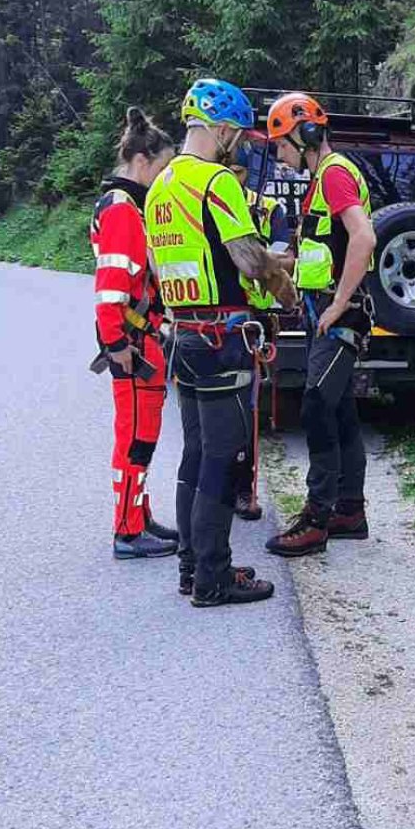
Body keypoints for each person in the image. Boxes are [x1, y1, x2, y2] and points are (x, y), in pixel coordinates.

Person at [144, 78, 292, 607]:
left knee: (196, 453)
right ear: (222, 128)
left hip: (183, 333)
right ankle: (214, 576)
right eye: (238, 133)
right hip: (223, 336)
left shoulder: (160, 186)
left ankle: (191, 567)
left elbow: (160, 267)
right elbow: (249, 259)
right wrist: (286, 288)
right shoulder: (216, 182)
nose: (241, 144)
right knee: (224, 460)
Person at [263, 93, 377, 559]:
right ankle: (350, 510)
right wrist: (273, 261)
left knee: (313, 404)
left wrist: (340, 303)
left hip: (338, 314)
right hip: (323, 309)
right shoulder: (320, 181)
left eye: (281, 144)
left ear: (304, 133)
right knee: (339, 409)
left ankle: (317, 517)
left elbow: (364, 236)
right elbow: (321, 252)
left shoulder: (333, 174)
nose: (279, 154)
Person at [91, 108, 179, 559]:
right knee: (136, 439)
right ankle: (128, 530)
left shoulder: (123, 207)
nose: (164, 178)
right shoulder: (124, 211)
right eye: (163, 168)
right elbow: (111, 287)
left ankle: (138, 515)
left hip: (140, 341)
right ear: (142, 161)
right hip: (134, 346)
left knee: (139, 436)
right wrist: (117, 343)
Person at [228, 161, 293, 522]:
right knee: (229, 409)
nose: (232, 175)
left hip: (261, 318)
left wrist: (257, 259)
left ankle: (244, 489)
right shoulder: (213, 203)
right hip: (226, 315)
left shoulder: (269, 209)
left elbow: (284, 258)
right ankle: (223, 484)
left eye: (238, 169)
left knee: (251, 407)